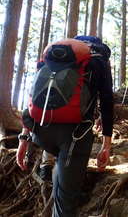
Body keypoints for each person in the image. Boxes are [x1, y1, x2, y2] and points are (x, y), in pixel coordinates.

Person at [16, 36, 114, 217]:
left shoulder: (55, 55)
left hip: (40, 130)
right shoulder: (98, 61)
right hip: (74, 136)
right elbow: (107, 102)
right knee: (65, 205)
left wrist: (24, 138)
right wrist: (106, 145)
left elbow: (33, 95)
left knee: (61, 172)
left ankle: (55, 174)